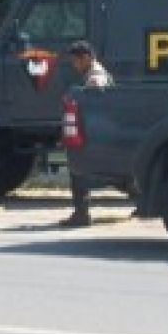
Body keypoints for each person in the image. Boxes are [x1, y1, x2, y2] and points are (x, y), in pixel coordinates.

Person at [59, 40, 113, 228]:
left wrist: (77, 95)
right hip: (100, 131)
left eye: (76, 60)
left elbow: (96, 89)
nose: (75, 65)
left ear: (87, 58)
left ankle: (81, 214)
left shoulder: (95, 75)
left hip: (95, 133)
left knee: (78, 170)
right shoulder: (95, 71)